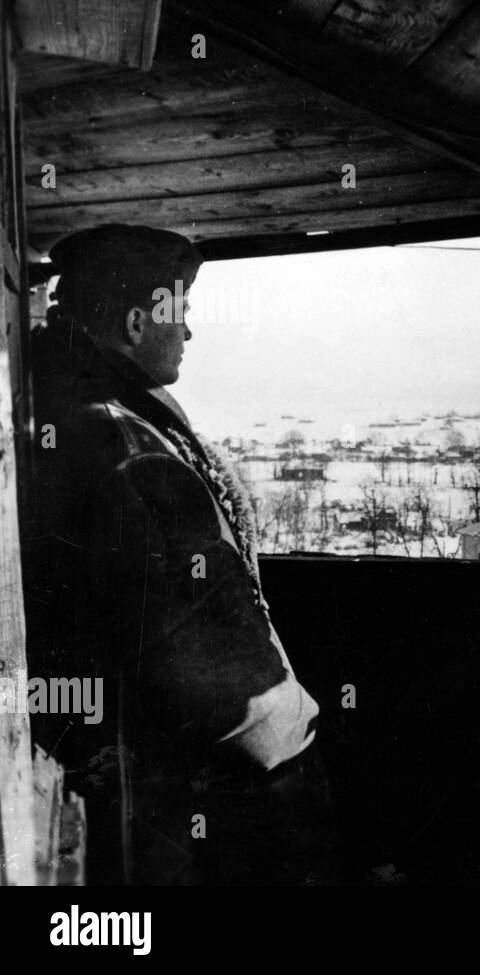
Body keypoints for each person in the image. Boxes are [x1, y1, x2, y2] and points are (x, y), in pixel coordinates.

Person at [23, 224, 335, 884]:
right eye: (180, 311)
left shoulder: (91, 414)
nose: (189, 331)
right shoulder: (126, 447)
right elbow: (204, 653)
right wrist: (285, 741)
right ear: (137, 323)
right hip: (205, 789)